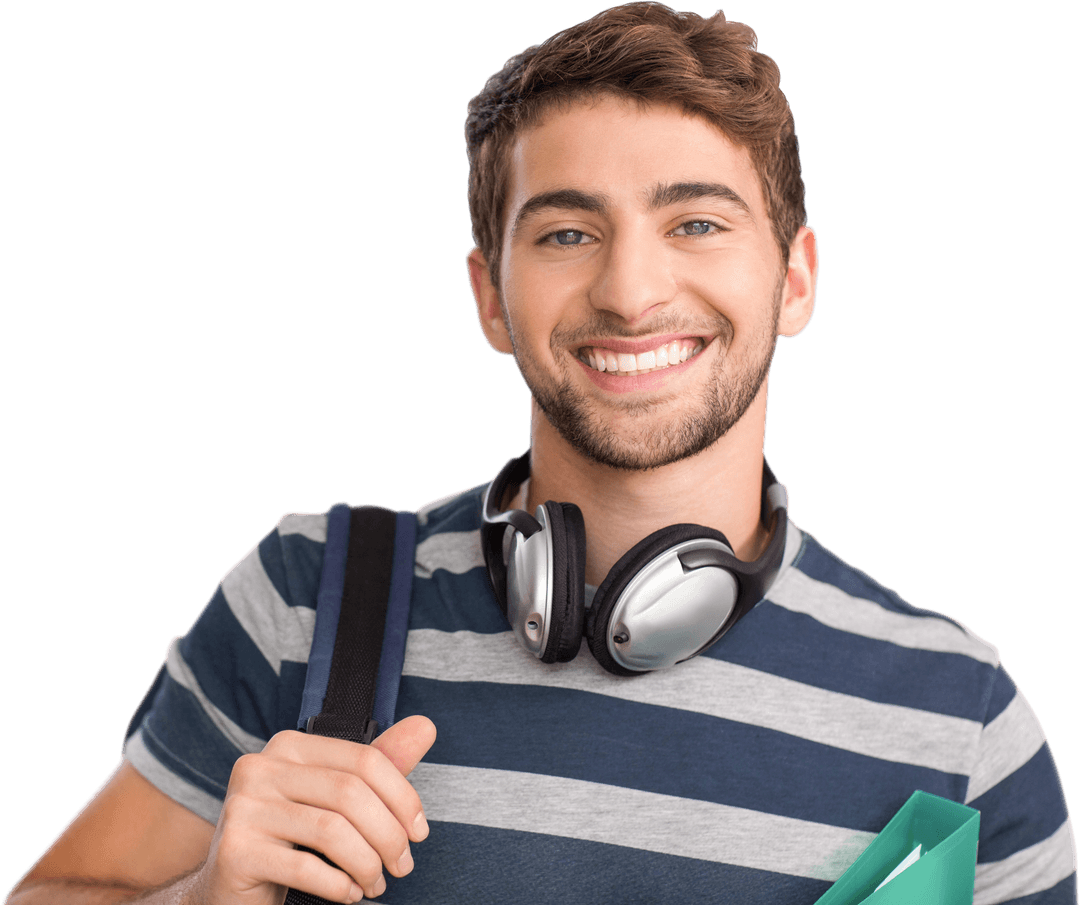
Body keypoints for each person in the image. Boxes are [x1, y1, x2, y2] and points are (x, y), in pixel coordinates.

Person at [6, 4, 1076, 903]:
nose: (629, 291)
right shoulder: (311, 598)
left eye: (697, 222)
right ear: (488, 296)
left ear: (795, 280)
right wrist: (206, 897)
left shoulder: (962, 720)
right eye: (567, 233)